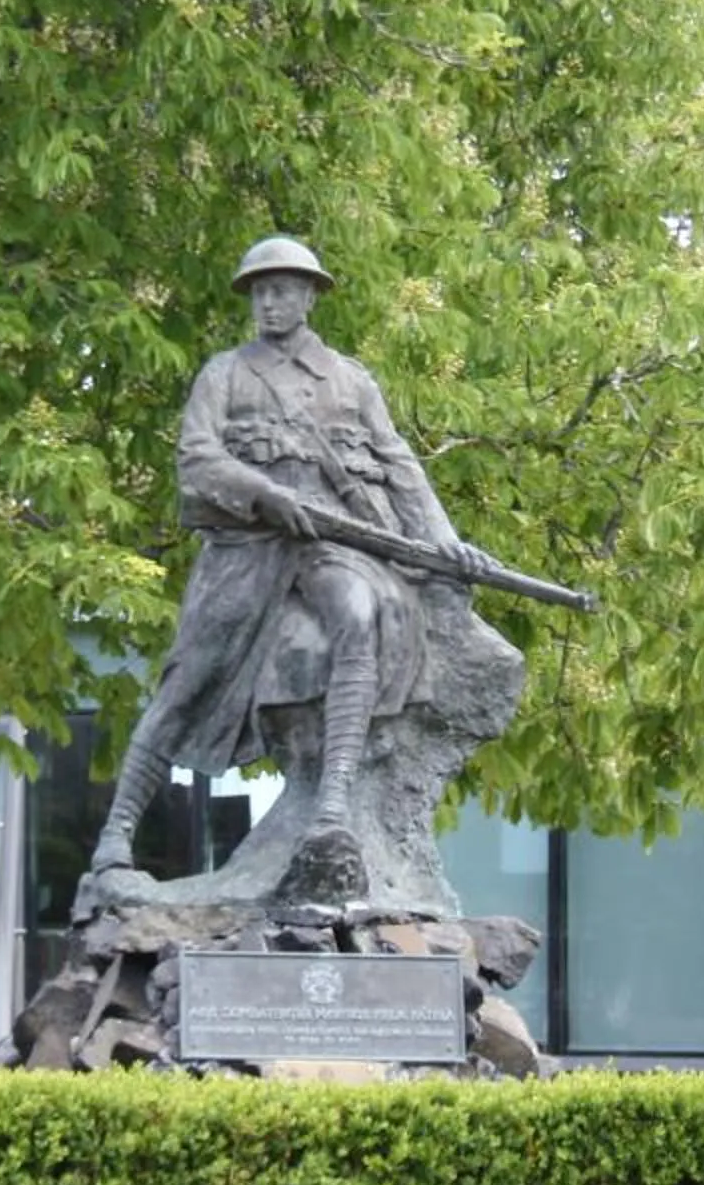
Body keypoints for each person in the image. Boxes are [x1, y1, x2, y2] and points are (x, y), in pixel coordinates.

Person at [90, 236, 490, 877]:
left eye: (283, 290)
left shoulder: (352, 380)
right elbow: (198, 457)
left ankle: (333, 804)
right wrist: (264, 494)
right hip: (250, 545)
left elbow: (397, 464)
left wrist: (441, 541)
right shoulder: (224, 373)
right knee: (188, 678)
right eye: (261, 291)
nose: (270, 302)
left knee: (360, 615)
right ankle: (117, 833)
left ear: (309, 297)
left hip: (335, 543)